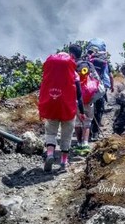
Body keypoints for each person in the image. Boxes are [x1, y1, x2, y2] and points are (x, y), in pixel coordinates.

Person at [38, 44, 86, 172]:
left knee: (51, 133)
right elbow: (79, 95)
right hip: (68, 107)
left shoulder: (51, 70)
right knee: (66, 136)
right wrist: (81, 112)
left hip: (52, 104)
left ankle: (49, 154)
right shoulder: (73, 73)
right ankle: (64, 163)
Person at [72, 58, 104, 156]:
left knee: (77, 123)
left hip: (77, 103)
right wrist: (92, 100)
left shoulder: (74, 78)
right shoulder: (92, 78)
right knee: (87, 123)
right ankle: (85, 144)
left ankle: (78, 143)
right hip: (89, 103)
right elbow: (101, 90)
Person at [85, 38, 114, 140]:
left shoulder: (86, 61)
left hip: (88, 89)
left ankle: (86, 135)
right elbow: (110, 76)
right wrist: (112, 87)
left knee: (88, 110)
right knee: (99, 110)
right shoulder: (104, 62)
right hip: (100, 90)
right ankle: (95, 133)